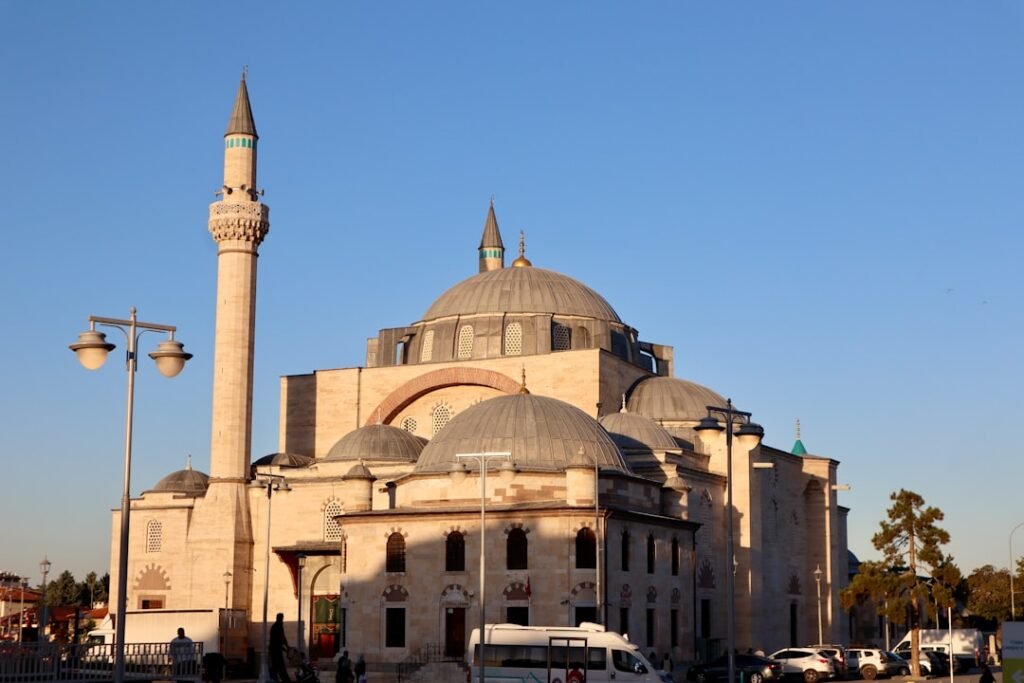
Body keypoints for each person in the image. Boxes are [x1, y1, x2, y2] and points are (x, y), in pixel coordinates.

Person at [269, 612, 291, 683]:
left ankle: (275, 678)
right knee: (279, 665)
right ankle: (284, 679)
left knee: (275, 665)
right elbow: (282, 637)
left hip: (275, 648)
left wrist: (284, 648)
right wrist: (287, 647)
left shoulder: (275, 625)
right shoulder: (279, 625)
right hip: (276, 649)